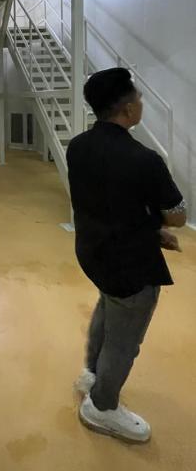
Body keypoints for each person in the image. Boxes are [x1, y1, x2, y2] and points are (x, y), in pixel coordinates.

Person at [67, 67, 187, 443]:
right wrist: (157, 224)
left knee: (108, 308)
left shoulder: (78, 146)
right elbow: (178, 215)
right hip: (130, 265)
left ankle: (91, 375)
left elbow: (108, 201)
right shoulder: (143, 159)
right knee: (124, 341)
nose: (141, 103)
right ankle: (102, 407)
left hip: (93, 252)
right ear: (129, 109)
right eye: (138, 98)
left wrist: (150, 227)